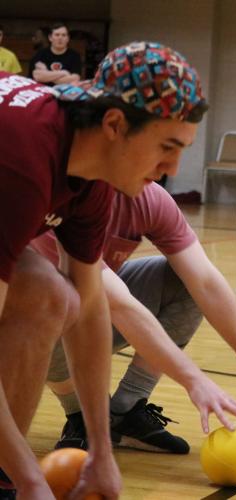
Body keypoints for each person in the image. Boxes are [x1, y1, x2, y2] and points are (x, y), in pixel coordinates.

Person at [0, 41, 209, 499]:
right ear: (115, 124)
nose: (173, 168)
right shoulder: (21, 164)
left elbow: (92, 311)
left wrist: (101, 452)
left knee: (53, 293)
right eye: (166, 147)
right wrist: (32, 481)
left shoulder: (91, 178)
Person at [31, 182, 236, 454]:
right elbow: (119, 306)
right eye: (166, 147)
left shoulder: (149, 196)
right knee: (60, 299)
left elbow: (205, 283)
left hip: (95, 308)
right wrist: (194, 381)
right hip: (31, 331)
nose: (173, 167)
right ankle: (80, 415)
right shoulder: (59, 200)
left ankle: (126, 412)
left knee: (186, 283)